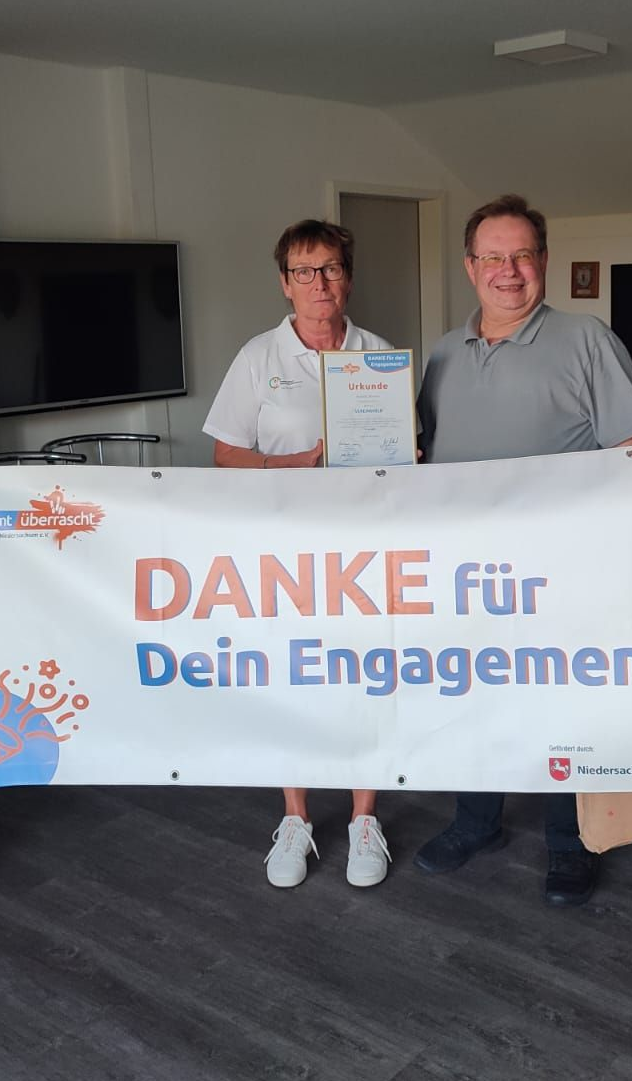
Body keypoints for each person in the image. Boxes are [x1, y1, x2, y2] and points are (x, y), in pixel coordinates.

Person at [412, 194, 632, 907]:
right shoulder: (443, 353)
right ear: (469, 266)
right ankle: (475, 821)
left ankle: (570, 842)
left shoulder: (586, 339)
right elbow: (422, 452)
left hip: (563, 569)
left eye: (522, 255)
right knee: (472, 693)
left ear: (543, 260)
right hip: (467, 570)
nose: (508, 271)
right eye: (493, 257)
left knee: (562, 705)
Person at [202, 219, 395, 890]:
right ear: (285, 283)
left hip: (364, 547)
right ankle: (295, 817)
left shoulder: (378, 353)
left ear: (349, 277)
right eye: (304, 271)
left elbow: (399, 449)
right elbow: (225, 454)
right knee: (296, 676)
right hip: (284, 550)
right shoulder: (259, 357)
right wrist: (290, 464)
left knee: (367, 675)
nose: (319, 283)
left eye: (331, 268)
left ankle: (364, 819)